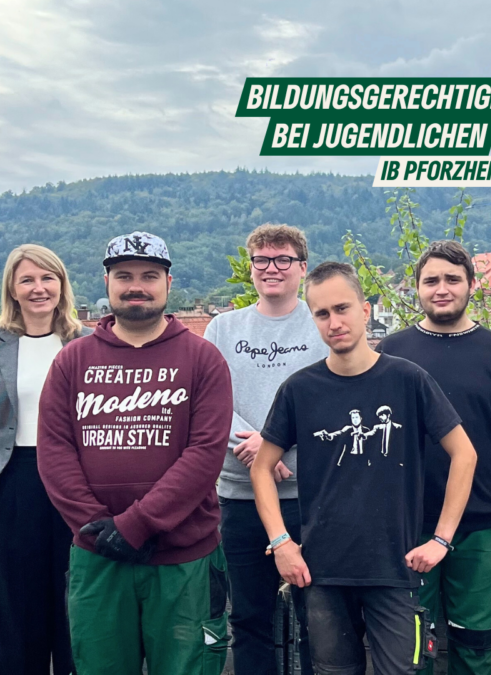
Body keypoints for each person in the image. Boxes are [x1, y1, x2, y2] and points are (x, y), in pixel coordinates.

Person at [251, 262, 478, 675]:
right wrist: (282, 542)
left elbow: (465, 454)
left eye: (342, 308)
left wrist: (441, 540)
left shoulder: (408, 380)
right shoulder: (300, 390)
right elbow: (261, 468)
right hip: (322, 573)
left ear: (365, 309)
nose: (334, 322)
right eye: (322, 313)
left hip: (395, 570)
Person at [37, 231, 234, 675]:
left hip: (184, 555)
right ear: (106, 282)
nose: (136, 285)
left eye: (149, 275)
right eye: (124, 275)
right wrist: (98, 529)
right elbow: (54, 452)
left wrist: (137, 525)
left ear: (168, 282)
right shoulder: (73, 361)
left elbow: (205, 455)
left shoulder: (203, 359)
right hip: (97, 555)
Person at [377, 240, 491, 675]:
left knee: (476, 646)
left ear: (472, 284)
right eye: (430, 280)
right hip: (409, 526)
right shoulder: (390, 355)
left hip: (483, 526)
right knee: (412, 651)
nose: (442, 289)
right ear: (416, 289)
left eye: (453, 279)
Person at [0, 244, 89, 675]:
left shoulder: (84, 342)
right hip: (11, 484)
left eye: (48, 278)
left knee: (73, 601)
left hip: (74, 485)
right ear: (12, 286)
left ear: (62, 284)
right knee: (11, 608)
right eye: (27, 279)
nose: (39, 288)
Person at [203, 224, 326, 675]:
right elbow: (209, 401)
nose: (271, 269)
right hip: (238, 499)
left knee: (319, 618)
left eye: (283, 260)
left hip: (306, 499)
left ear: (302, 268)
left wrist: (271, 445)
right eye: (262, 261)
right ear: (250, 268)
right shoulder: (222, 327)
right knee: (248, 619)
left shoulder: (320, 324)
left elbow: (333, 401)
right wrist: (255, 448)